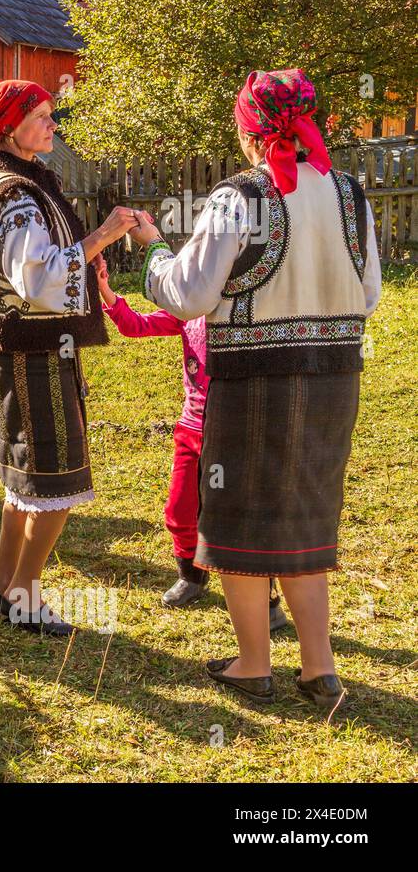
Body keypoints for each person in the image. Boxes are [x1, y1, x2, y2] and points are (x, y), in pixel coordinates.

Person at [134, 68, 381, 707]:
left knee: (238, 522)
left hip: (252, 381)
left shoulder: (238, 197)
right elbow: (371, 294)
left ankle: (253, 664)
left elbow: (188, 294)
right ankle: (319, 667)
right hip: (333, 379)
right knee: (304, 515)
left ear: (248, 132)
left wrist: (156, 254)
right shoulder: (350, 194)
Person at [0, 80, 139, 636]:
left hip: (19, 346)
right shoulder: (13, 192)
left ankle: (0, 584)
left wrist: (86, 265)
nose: (52, 125)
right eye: (40, 116)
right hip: (32, 349)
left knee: (25, 480)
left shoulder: (4, 180)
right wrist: (103, 236)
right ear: (10, 126)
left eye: (51, 115)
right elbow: (36, 277)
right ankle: (24, 598)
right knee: (55, 483)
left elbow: (43, 263)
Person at [93, 257, 290, 629]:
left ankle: (266, 598)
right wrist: (106, 291)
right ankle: (192, 576)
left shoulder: (253, 312)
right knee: (180, 510)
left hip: (237, 431)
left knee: (242, 518)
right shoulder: (190, 311)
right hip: (192, 429)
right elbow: (136, 326)